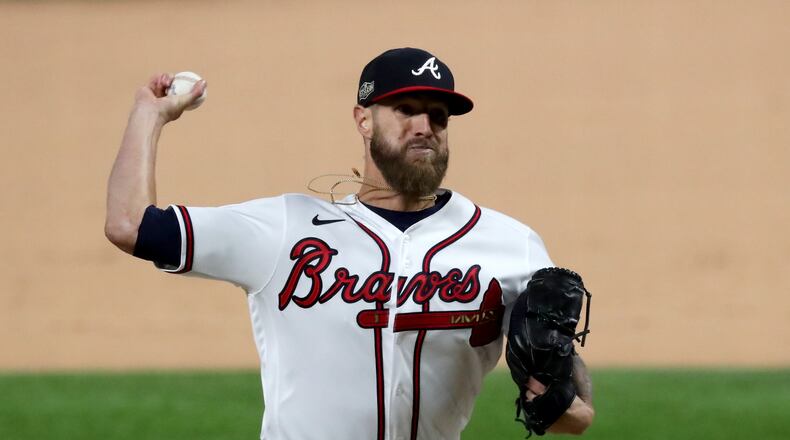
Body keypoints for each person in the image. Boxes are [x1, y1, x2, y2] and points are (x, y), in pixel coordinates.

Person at [105, 47, 594, 440]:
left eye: (438, 116)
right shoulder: (286, 228)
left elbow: (575, 416)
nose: (424, 126)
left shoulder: (510, 245)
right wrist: (149, 116)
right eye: (405, 110)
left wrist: (553, 398)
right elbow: (130, 225)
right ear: (363, 120)